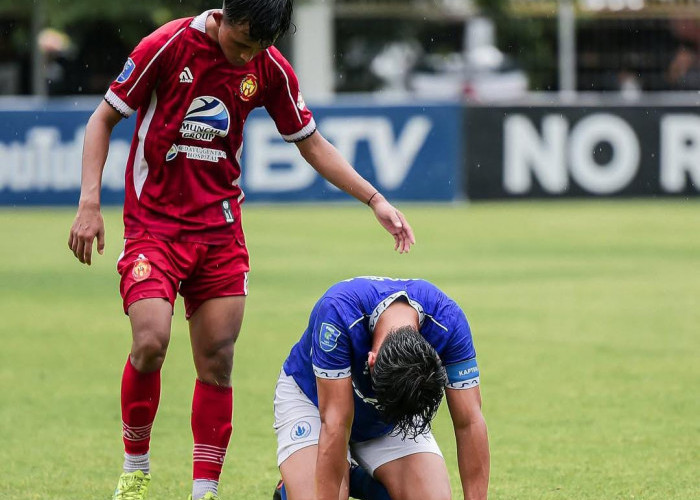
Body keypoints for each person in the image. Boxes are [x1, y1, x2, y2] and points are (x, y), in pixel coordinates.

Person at [67, 2, 415, 499]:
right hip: (154, 227)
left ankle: (204, 491)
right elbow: (102, 120)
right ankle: (135, 469)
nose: (246, 55)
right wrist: (89, 203)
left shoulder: (268, 66)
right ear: (224, 15)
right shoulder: (166, 44)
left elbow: (311, 142)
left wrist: (374, 199)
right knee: (150, 341)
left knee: (218, 360)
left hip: (220, 235)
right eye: (241, 42)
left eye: (258, 46)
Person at [273, 277, 489, 500]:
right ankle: (293, 486)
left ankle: (356, 476)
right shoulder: (338, 310)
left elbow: (470, 422)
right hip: (314, 402)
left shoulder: (449, 322)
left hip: (386, 419)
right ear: (372, 360)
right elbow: (335, 422)